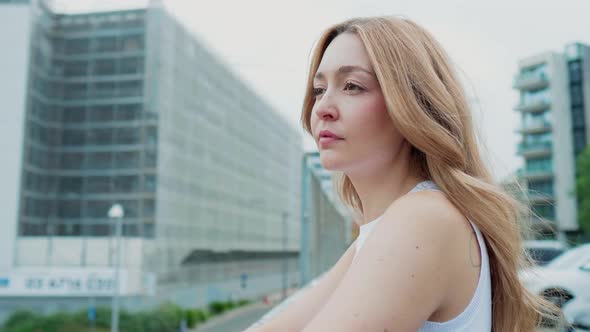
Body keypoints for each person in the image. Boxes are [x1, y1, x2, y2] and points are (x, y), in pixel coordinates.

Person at [246, 16, 558, 332]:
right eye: (319, 89)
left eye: (352, 86)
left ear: (412, 104)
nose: (322, 107)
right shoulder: (386, 231)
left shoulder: (423, 219)